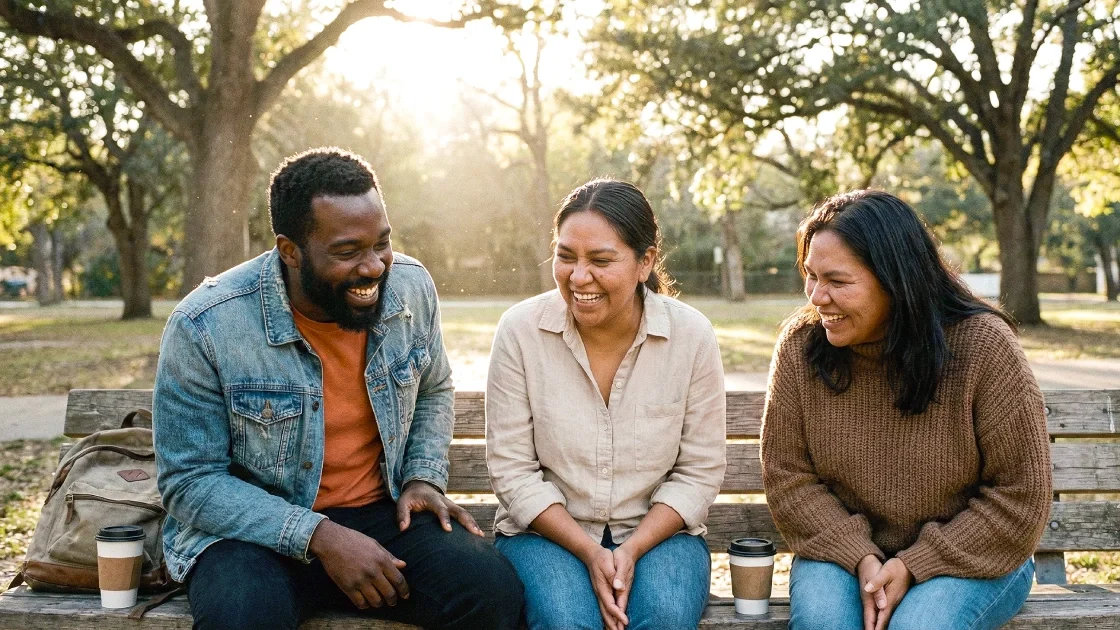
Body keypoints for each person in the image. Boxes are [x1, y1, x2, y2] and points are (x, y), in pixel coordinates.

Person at [153, 148, 523, 630]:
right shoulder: (206, 325)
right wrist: (320, 537)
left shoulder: (410, 288)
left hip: (382, 516)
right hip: (251, 535)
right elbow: (190, 482)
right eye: (348, 252)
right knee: (241, 617)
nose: (373, 268)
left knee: (492, 591)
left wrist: (423, 476)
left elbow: (433, 386)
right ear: (290, 250)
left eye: (382, 244)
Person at [760, 190, 1052, 630]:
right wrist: (859, 555)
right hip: (842, 551)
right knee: (825, 623)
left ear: (896, 281)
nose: (817, 297)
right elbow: (788, 477)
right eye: (810, 275)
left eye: (838, 282)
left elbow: (1020, 496)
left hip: (976, 555)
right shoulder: (801, 348)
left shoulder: (984, 347)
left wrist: (915, 564)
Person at [485, 178, 726, 630]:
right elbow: (513, 471)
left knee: (665, 619)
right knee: (566, 621)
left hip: (661, 537)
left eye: (600, 260)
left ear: (645, 262)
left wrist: (630, 550)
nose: (578, 277)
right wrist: (590, 551)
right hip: (544, 536)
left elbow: (699, 470)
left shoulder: (691, 336)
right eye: (565, 256)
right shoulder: (520, 331)